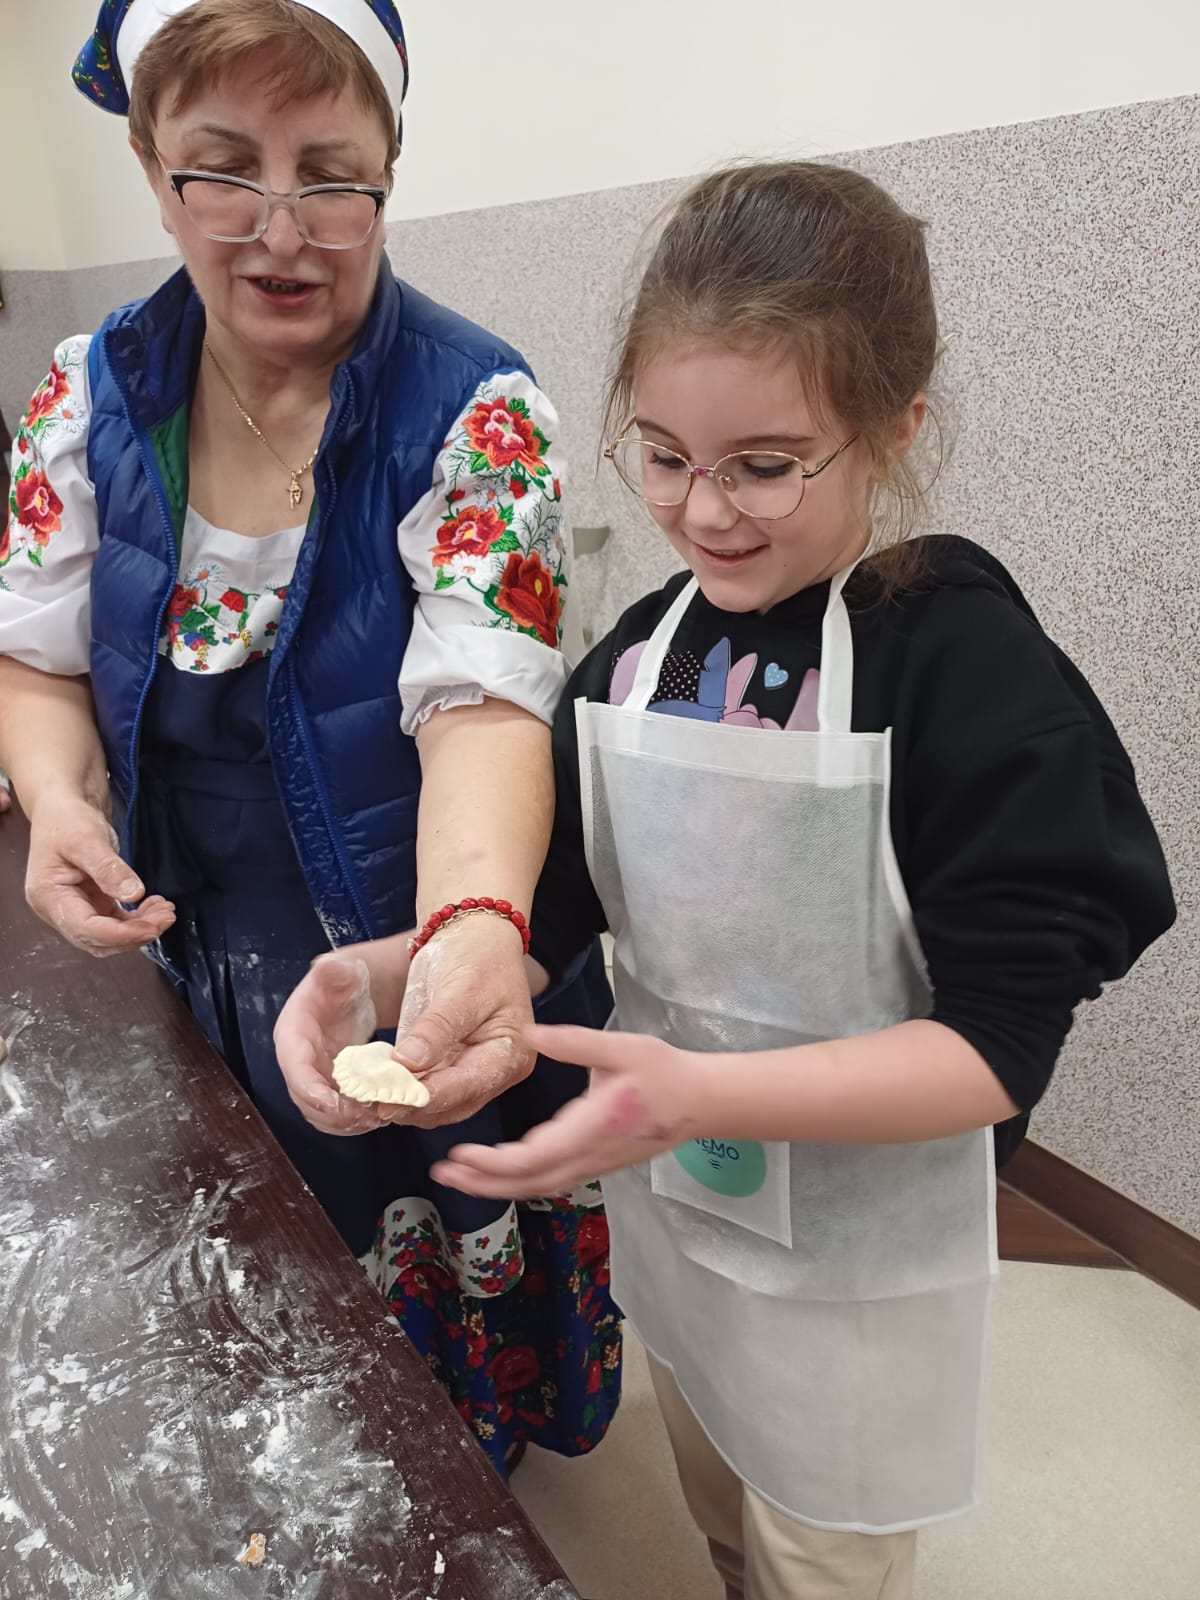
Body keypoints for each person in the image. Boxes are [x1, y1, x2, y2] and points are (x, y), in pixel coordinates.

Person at [433, 162, 1178, 1594]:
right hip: (683, 1207)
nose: (704, 513)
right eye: (663, 455)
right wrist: (441, 968)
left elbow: (993, 1050)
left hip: (856, 1255)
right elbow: (562, 898)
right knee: (717, 1482)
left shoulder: (965, 672)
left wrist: (701, 1096)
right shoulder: (655, 655)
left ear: (895, 428)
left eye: (765, 466)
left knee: (819, 1550)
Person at [0, 0, 618, 1475]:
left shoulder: (475, 409)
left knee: (431, 1282)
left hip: (399, 949)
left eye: (333, 178)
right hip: (196, 956)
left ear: (390, 170)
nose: (282, 233)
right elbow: (35, 659)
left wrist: (471, 925)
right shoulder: (91, 398)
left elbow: (481, 707)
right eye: (223, 170)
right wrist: (59, 803)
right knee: (260, 1314)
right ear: (151, 166)